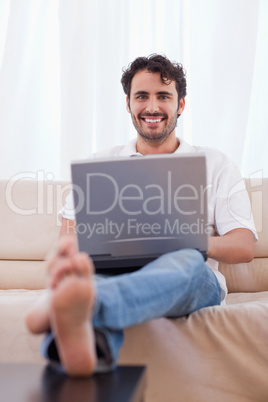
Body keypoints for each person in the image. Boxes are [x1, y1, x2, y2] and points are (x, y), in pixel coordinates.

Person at [26, 54, 257, 377]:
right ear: (128, 103)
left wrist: (186, 238)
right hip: (115, 273)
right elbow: (70, 237)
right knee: (90, 279)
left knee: (186, 260)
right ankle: (87, 349)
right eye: (142, 96)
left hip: (189, 275)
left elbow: (244, 247)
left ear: (181, 105)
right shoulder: (100, 165)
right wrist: (72, 255)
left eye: (163, 96)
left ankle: (81, 305)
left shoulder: (216, 164)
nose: (152, 107)